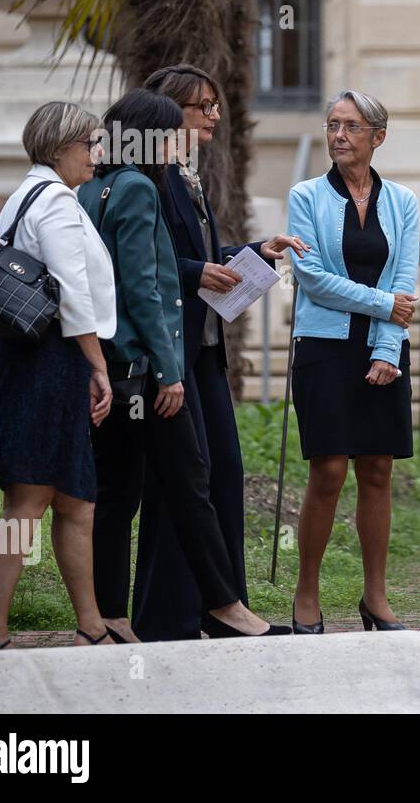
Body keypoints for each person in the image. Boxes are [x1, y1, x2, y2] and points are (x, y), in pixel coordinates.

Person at [79, 87, 288, 640]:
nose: (177, 141)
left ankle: (110, 617)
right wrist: (171, 371)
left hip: (114, 367)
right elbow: (145, 290)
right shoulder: (140, 191)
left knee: (117, 495)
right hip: (148, 371)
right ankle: (226, 606)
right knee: (192, 482)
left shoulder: (94, 188)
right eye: (170, 131)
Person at [129, 63, 308, 641]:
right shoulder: (147, 178)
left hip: (205, 353)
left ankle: (220, 606)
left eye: (215, 104)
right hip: (172, 351)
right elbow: (141, 264)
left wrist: (254, 249)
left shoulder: (185, 173)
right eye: (201, 105)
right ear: (167, 112)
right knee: (183, 480)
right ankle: (172, 614)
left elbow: (196, 253)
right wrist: (195, 270)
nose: (214, 113)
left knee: (223, 473)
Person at [0, 101, 116, 650]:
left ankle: (92, 626)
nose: (97, 155)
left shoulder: (26, 194)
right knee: (31, 497)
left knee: (76, 498)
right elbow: (71, 290)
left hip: (32, 355)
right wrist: (97, 365)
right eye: (90, 145)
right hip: (47, 361)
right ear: (60, 148)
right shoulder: (54, 200)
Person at [287, 89, 418, 634]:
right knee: (329, 469)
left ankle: (375, 598)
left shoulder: (403, 201)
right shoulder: (306, 196)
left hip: (383, 348)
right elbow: (311, 279)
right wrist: (383, 303)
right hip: (323, 348)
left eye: (351, 127)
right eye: (333, 125)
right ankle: (307, 596)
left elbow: (404, 281)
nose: (338, 135)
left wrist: (388, 346)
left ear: (377, 137)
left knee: (379, 470)